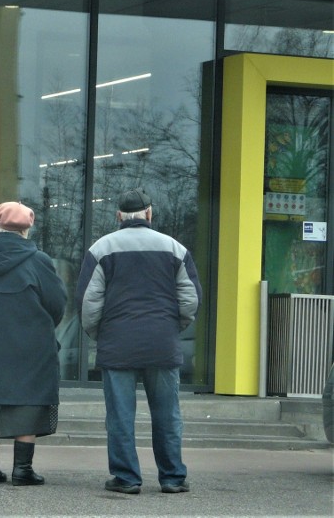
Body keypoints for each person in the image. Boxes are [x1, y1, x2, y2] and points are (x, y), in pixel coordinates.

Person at [75, 187, 202, 495]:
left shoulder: (101, 249)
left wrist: (100, 334)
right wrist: (173, 327)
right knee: (167, 414)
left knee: (120, 415)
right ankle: (172, 477)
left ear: (119, 216)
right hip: (162, 343)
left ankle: (126, 477)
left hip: (118, 345)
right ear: (149, 213)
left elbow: (89, 303)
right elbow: (190, 299)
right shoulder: (175, 249)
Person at [0, 202, 67, 486]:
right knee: (28, 398)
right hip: (30, 344)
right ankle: (23, 470)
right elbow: (57, 304)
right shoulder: (39, 260)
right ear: (27, 227)